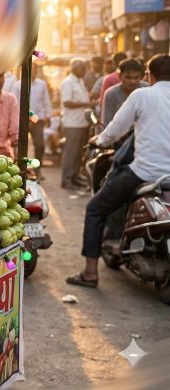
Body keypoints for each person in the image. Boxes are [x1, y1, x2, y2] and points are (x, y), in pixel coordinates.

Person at [66, 54, 170, 288]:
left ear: (149, 75)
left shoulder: (142, 95)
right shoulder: (129, 93)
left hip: (144, 173)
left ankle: (90, 272)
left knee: (95, 208)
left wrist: (98, 141)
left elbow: (114, 130)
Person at [9, 63, 51, 176]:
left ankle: (38, 170)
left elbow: (46, 100)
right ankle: (22, 170)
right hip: (22, 119)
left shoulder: (42, 84)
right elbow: (14, 103)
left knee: (40, 145)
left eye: (34, 70)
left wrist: (48, 115)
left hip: (38, 119)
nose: (32, 72)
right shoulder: (17, 85)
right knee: (21, 145)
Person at [60, 59, 91, 189]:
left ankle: (75, 177)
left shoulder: (80, 81)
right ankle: (66, 180)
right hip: (72, 123)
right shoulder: (68, 82)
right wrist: (86, 104)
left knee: (78, 153)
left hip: (81, 122)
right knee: (71, 153)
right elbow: (66, 102)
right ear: (75, 69)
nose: (85, 71)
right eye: (83, 68)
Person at [101, 58, 148, 128]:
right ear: (119, 76)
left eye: (136, 78)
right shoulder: (111, 94)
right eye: (128, 78)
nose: (133, 81)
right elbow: (107, 122)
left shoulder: (147, 90)